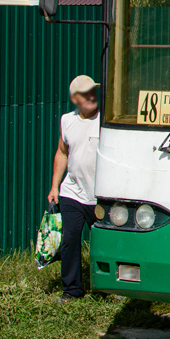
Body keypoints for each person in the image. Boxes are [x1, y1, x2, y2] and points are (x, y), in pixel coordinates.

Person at [48, 74, 101, 300]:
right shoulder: (66, 120)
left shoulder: (106, 119)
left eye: (93, 91)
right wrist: (54, 187)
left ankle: (111, 287)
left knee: (104, 241)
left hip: (100, 196)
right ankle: (71, 290)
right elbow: (62, 152)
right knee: (70, 239)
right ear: (75, 98)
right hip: (73, 192)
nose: (91, 96)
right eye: (85, 93)